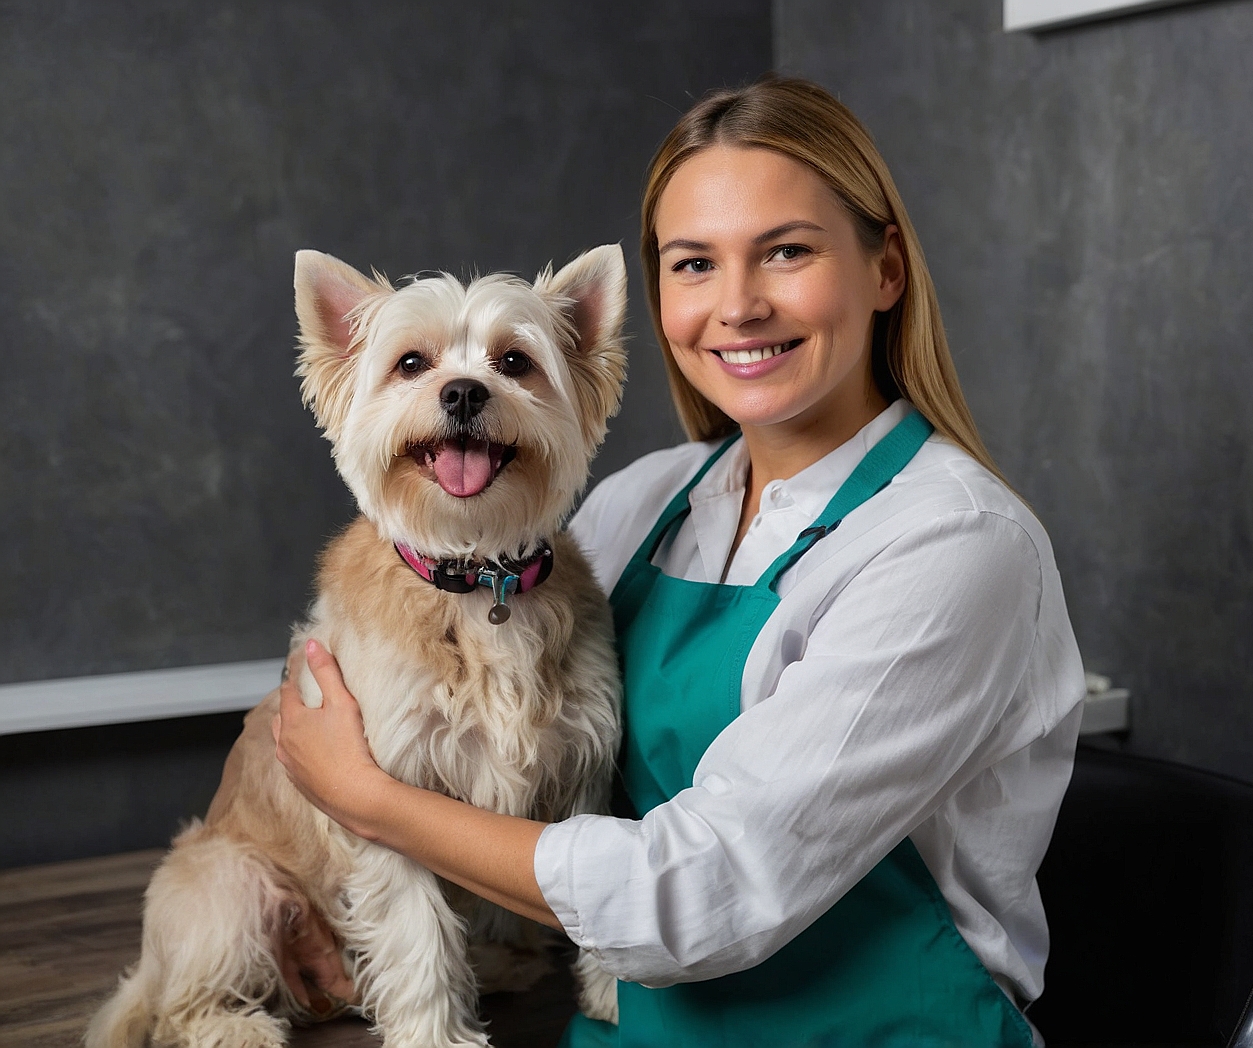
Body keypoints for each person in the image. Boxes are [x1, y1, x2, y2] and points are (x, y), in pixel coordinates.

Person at [274, 75, 1084, 1046]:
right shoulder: (640, 505)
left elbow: (708, 892)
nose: (735, 305)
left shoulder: (953, 545)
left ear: (884, 270)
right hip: (635, 1029)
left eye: (785, 251)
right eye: (693, 263)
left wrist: (371, 799)